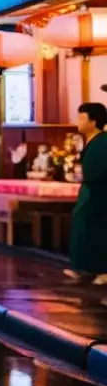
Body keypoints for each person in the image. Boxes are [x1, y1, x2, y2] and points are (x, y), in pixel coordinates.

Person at [67, 101, 107, 284]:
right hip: (90, 189)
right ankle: (84, 267)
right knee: (83, 224)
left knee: (97, 230)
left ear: (94, 121)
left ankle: (103, 271)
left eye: (82, 118)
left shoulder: (102, 142)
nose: (78, 122)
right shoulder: (93, 141)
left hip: (99, 192)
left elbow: (97, 170)